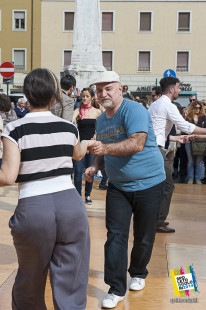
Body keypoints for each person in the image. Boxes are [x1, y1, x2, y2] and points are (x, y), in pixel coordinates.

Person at [0, 68, 96, 310]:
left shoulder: (15, 129)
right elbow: (77, 154)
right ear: (55, 97)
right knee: (71, 284)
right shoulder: (68, 128)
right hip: (71, 205)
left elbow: (8, 176)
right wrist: (86, 142)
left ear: (26, 95)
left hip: (34, 207)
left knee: (30, 281)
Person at [85, 71, 165, 309]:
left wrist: (104, 150)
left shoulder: (135, 110)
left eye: (108, 88)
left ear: (120, 88)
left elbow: (136, 143)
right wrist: (94, 165)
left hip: (150, 183)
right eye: (99, 90)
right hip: (118, 186)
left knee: (143, 236)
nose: (103, 94)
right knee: (115, 236)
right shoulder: (101, 120)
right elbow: (103, 150)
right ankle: (115, 288)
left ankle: (138, 272)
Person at [149, 77, 206, 233]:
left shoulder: (154, 105)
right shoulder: (168, 105)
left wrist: (176, 138)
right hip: (156, 150)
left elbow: (156, 131)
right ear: (172, 89)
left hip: (152, 148)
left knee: (158, 186)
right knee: (168, 186)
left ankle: (155, 219)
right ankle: (157, 222)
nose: (180, 90)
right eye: (178, 88)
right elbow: (186, 126)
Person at [72, 87, 101, 204]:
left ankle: (88, 195)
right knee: (78, 172)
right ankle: (78, 196)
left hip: (92, 145)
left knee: (90, 171)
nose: (84, 98)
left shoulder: (97, 112)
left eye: (87, 96)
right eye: (83, 96)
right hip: (80, 145)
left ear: (92, 97)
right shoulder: (78, 111)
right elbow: (71, 124)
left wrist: (97, 135)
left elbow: (101, 127)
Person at [185, 100, 206, 184]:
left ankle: (198, 178)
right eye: (196, 108)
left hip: (201, 141)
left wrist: (197, 135)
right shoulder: (188, 117)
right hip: (190, 140)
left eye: (199, 107)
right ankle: (190, 178)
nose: (198, 109)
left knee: (199, 162)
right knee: (190, 161)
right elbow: (185, 130)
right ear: (192, 108)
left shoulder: (204, 117)